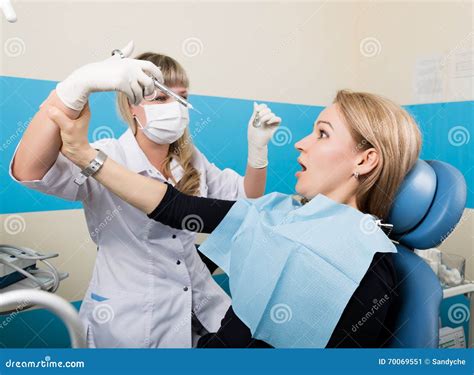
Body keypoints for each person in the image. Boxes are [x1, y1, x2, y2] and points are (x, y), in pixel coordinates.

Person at [46, 89, 422, 348]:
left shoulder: (369, 270)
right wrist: (84, 155)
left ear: (365, 159)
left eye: (322, 134)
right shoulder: (282, 212)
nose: (301, 142)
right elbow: (175, 207)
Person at [9, 43, 281, 348]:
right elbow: (28, 170)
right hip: (131, 321)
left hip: (200, 309)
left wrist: (258, 150)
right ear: (132, 106)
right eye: (162, 97)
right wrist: (79, 84)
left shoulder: (191, 162)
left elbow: (245, 199)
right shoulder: (108, 156)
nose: (176, 108)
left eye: (183, 98)